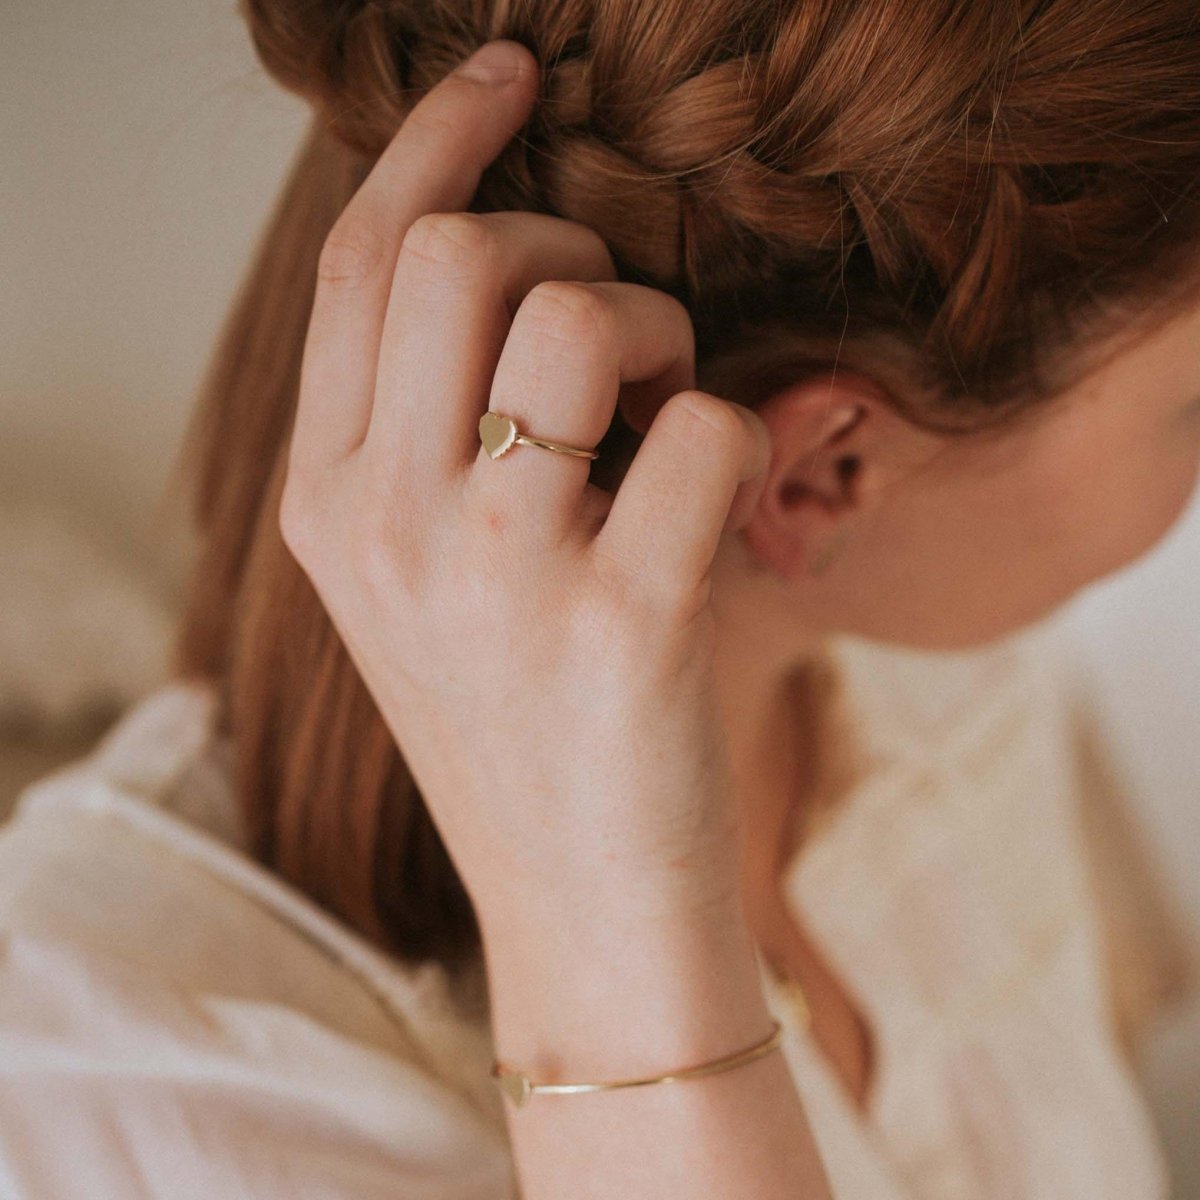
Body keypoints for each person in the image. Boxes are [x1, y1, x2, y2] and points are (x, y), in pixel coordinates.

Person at [2, 4, 1199, 1196]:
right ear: (826, 477)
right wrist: (605, 961)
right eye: (1188, 405)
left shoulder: (938, 676)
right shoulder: (136, 1084)